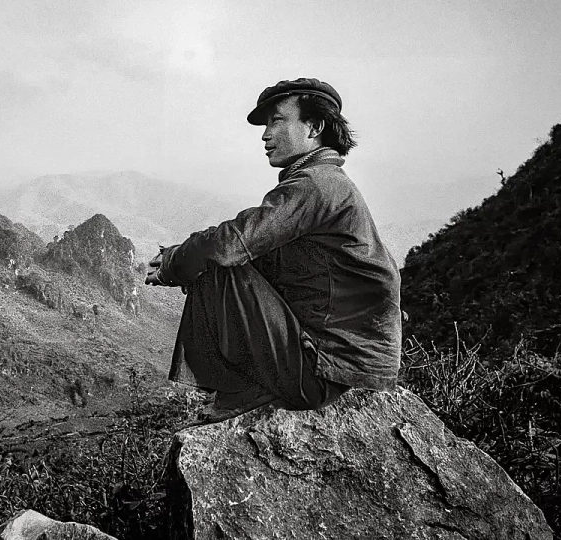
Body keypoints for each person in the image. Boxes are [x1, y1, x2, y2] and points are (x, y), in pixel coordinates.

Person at [145, 78, 401, 422]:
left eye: (277, 121)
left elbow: (231, 244)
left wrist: (174, 263)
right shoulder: (327, 181)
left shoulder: (317, 184)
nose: (266, 135)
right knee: (228, 259)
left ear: (314, 127)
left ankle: (237, 391)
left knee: (218, 264)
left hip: (325, 374)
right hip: (340, 367)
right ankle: (243, 388)